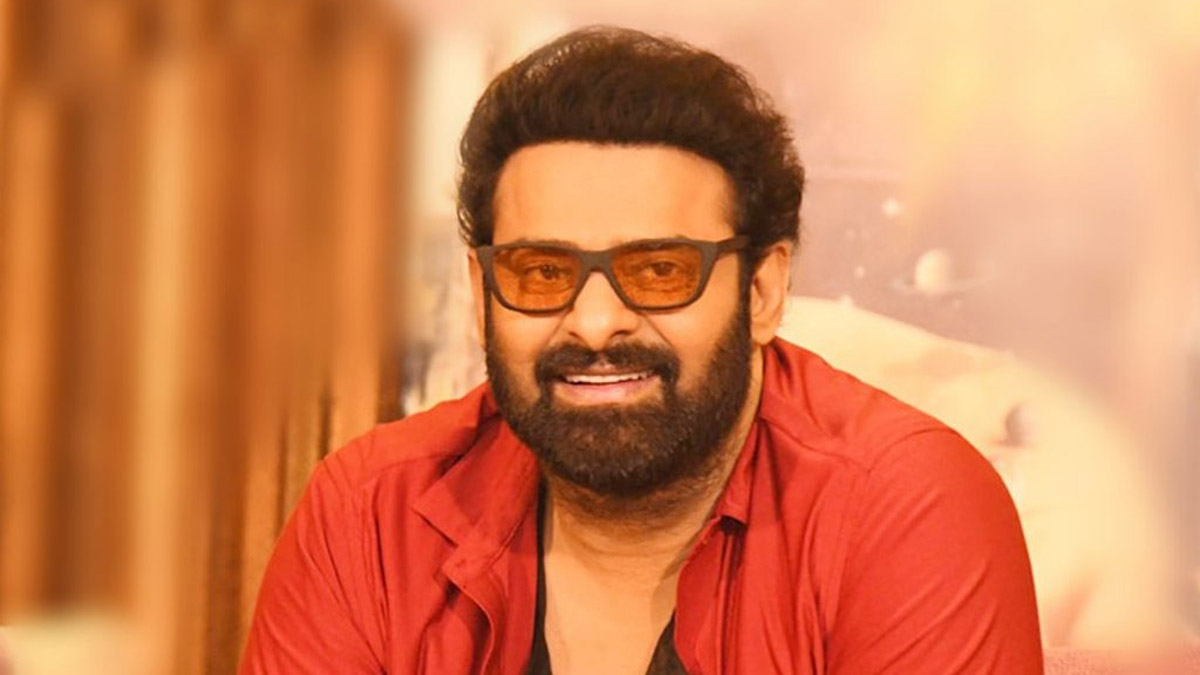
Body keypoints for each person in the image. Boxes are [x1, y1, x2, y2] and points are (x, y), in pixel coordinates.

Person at [238, 26, 1043, 674]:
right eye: (542, 271)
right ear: (482, 296)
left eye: (659, 271)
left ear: (763, 290)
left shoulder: (902, 509)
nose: (594, 323)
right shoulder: (372, 514)